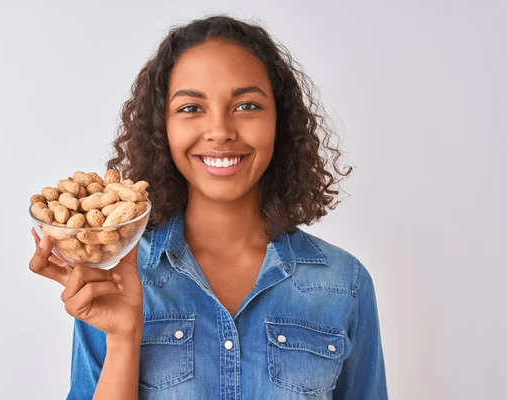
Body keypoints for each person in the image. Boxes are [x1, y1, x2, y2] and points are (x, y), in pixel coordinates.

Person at [29, 15, 388, 400]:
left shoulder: (343, 284)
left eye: (247, 105)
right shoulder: (114, 275)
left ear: (279, 122)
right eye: (190, 108)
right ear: (161, 127)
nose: (220, 130)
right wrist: (123, 337)